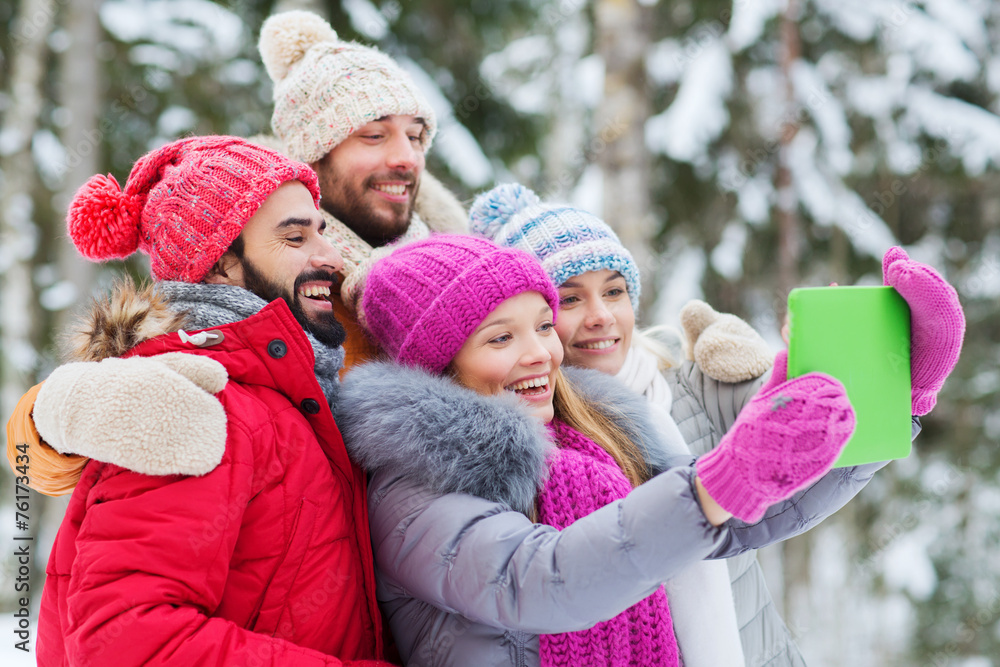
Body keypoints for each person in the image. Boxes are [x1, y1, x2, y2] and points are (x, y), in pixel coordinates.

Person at [469, 182, 967, 667]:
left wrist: (904, 387)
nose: (601, 316)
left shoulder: (700, 389)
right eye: (570, 299)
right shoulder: (514, 449)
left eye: (614, 291)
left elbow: (818, 457)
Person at [331, 233, 859, 666]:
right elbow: (545, 579)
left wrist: (890, 398)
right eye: (500, 339)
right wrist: (716, 484)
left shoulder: (593, 433)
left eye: (542, 326)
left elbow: (722, 523)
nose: (540, 353)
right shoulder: (412, 485)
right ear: (438, 364)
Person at [24, 136, 393, 666]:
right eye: (294, 238)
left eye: (322, 232)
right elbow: (126, 643)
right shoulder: (190, 403)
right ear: (220, 264)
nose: (331, 258)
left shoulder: (288, 395)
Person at [257, 9, 468, 369]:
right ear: (312, 156)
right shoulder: (270, 296)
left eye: (416, 136)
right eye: (373, 135)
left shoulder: (467, 281)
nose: (408, 158)